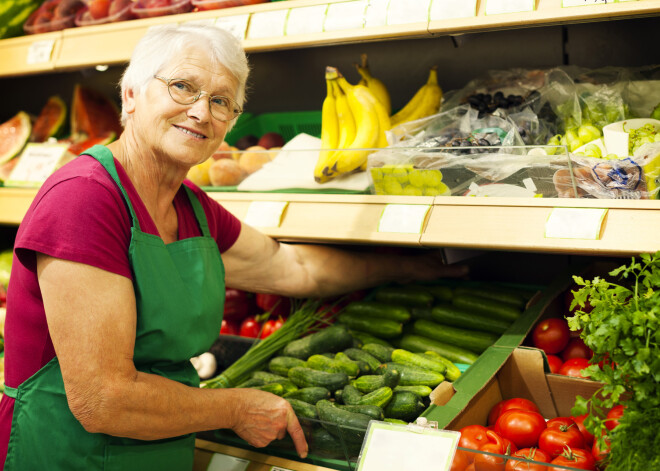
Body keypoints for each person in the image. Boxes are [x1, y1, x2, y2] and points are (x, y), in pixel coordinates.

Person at [0, 24, 466, 470]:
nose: (202, 112)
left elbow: (293, 266)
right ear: (131, 95)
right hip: (63, 453)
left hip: (157, 448)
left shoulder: (191, 207)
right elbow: (103, 399)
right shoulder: (84, 198)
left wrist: (408, 269)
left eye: (221, 101)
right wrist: (235, 407)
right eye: (182, 87)